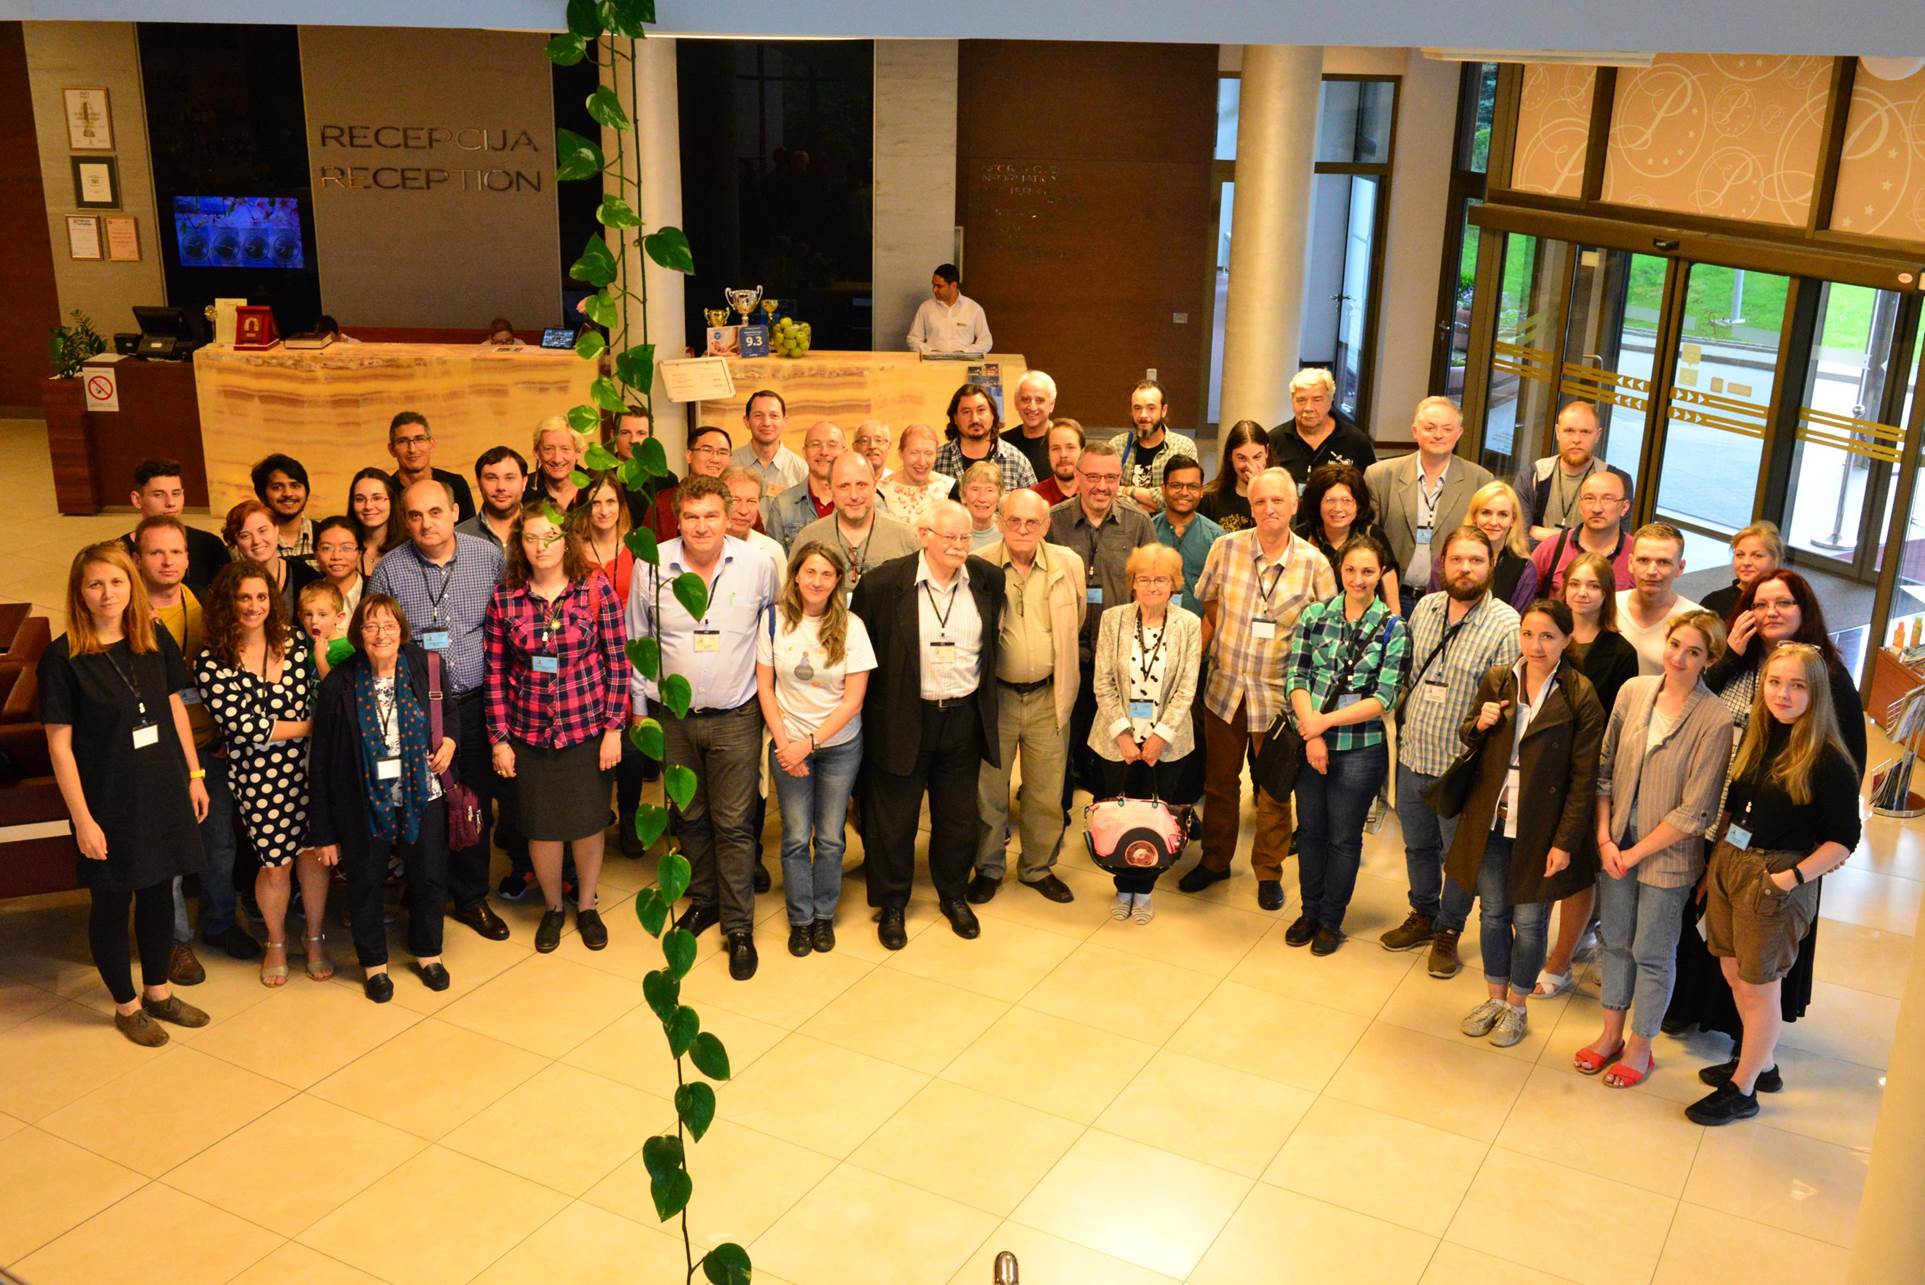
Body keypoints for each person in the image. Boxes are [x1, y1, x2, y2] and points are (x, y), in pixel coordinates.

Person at [1666, 569, 1866, 1045]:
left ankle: (1752, 1046)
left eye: (1783, 604)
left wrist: (1817, 853)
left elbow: (1848, 762)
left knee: (1760, 954)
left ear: (1805, 611)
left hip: (1786, 843)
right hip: (1725, 821)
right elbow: (1692, 701)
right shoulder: (1742, 657)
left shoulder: (1827, 676)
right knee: (1712, 926)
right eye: (1760, 604)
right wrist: (1730, 655)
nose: (1770, 613)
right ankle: (1698, 1008)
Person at [39, 543, 211, 1045]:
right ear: (80, 593)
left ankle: (158, 992)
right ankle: (126, 1005)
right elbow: (59, 745)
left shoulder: (152, 635)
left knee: (160, 891)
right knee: (112, 903)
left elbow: (174, 707)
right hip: (106, 801)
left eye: (115, 582)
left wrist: (194, 776)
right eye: (95, 584)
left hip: (161, 789)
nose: (107, 592)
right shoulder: (64, 657)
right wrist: (83, 820)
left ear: (130, 586)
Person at [1687, 643, 1861, 1125]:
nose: (1782, 694)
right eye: (1775, 682)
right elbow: (1735, 805)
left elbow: (1845, 839)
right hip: (1731, 863)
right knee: (1730, 970)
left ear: (1816, 692)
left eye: (1796, 685)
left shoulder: (1828, 760)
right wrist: (1714, 867)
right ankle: (1760, 1065)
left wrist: (1789, 879)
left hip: (1776, 878)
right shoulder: (1761, 737)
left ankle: (1742, 1090)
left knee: (1759, 985)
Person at [628, 476, 779, 979]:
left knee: (734, 824)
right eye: (690, 516)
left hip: (737, 715)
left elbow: (772, 631)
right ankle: (706, 899)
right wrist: (639, 710)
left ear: (730, 514)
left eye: (711, 515)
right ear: (677, 519)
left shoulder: (758, 564)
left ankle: (739, 927)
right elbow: (639, 639)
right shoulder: (651, 565)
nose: (700, 526)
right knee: (689, 815)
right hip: (673, 717)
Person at [1575, 611, 1731, 1087]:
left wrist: (1634, 852)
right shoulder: (1633, 692)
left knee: (1652, 952)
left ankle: (1641, 1045)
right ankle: (1610, 1036)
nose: (1679, 658)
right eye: (1675, 645)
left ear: (1710, 660)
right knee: (1615, 942)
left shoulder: (1715, 718)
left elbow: (1697, 810)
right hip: (1614, 844)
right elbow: (1603, 771)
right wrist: (1604, 838)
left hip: (1666, 856)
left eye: (1694, 652)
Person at [1446, 599, 1603, 1049]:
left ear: (1567, 640)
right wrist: (1480, 723)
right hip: (1492, 818)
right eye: (1529, 634)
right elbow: (1469, 734)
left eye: (1548, 636)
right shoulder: (1500, 678)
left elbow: (1583, 776)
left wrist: (1565, 840)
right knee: (1493, 912)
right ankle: (1494, 999)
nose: (1536, 645)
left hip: (1540, 827)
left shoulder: (1579, 694)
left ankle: (1517, 1005)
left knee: (1531, 922)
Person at [852, 500, 1004, 948]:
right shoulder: (882, 585)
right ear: (924, 537)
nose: (959, 546)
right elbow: (863, 654)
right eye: (949, 537)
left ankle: (953, 895)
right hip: (902, 717)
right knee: (893, 820)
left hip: (962, 718)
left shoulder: (986, 580)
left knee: (957, 819)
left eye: (965, 538)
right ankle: (892, 903)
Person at [1182, 468, 1335, 909]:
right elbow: (1209, 602)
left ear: (1294, 506)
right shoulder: (1224, 548)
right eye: (1260, 501)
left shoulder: (1314, 564)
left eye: (1277, 501)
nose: (1269, 509)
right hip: (1225, 689)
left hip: (1280, 700)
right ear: (1250, 507)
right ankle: (1214, 861)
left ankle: (1268, 872)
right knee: (1219, 784)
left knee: (1273, 792)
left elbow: (1324, 636)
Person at [368, 479, 512, 942]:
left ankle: (471, 897)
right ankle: (424, 890)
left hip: (473, 703)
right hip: (411, 712)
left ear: (454, 512)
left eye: (435, 512)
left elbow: (506, 623)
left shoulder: (488, 558)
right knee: (421, 804)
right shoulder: (389, 570)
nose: (426, 523)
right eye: (414, 515)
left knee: (472, 802)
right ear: (404, 520)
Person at [486, 503, 628, 954]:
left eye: (549, 537)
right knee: (542, 827)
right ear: (519, 544)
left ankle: (586, 906)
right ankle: (552, 907)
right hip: (528, 732)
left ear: (566, 540)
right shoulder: (506, 596)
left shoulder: (593, 588)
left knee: (587, 823)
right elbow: (494, 671)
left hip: (587, 728)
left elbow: (617, 662)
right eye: (530, 538)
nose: (540, 546)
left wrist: (613, 729)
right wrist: (499, 740)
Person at [1380, 527, 1521, 975]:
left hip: (1462, 767)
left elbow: (1507, 704)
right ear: (1443, 562)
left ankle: (1449, 929)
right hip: (1413, 754)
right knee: (1417, 846)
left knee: (1456, 857)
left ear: (1491, 564)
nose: (1465, 568)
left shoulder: (1506, 625)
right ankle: (1422, 913)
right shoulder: (1424, 607)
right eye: (1457, 559)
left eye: (1476, 560)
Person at [307, 594, 456, 1002]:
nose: (381, 634)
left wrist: (452, 742)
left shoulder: (427, 667)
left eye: (389, 625)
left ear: (402, 630)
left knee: (428, 875)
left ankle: (429, 953)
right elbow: (319, 760)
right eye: (371, 627)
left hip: (421, 793)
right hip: (360, 801)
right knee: (366, 882)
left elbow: (451, 710)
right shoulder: (341, 682)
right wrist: (323, 833)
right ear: (358, 634)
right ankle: (374, 965)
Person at [196, 560, 329, 987]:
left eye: (261, 596)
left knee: (314, 856)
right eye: (243, 597)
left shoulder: (293, 640)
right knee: (276, 864)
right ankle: (275, 941)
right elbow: (248, 729)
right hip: (260, 777)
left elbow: (320, 693)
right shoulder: (211, 661)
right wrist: (314, 726)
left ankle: (313, 937)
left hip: (311, 766)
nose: (254, 606)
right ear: (226, 604)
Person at [135, 517, 256, 972]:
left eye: (176, 552)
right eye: (156, 553)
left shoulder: (207, 602)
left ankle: (221, 923)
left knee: (219, 843)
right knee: (167, 852)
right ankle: (174, 941)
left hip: (212, 744)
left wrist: (228, 730)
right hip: (159, 752)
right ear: (138, 559)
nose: (168, 562)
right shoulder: (128, 616)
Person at [1284, 534, 1410, 954]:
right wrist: (1313, 731)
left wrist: (1323, 723)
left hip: (1360, 748)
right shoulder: (1315, 616)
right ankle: (1309, 910)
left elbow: (1384, 696)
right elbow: (1296, 678)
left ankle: (1330, 920)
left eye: (1368, 571)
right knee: (1310, 831)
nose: (1359, 579)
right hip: (1311, 741)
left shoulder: (1394, 628)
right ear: (1340, 570)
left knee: (1343, 838)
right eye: (1352, 569)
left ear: (1381, 574)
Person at [756, 541, 876, 955]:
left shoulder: (852, 626)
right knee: (792, 836)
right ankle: (800, 919)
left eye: (827, 574)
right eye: (810, 572)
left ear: (838, 581)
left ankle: (824, 916)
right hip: (787, 743)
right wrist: (787, 744)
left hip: (839, 747)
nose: (818, 581)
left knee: (828, 837)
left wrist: (809, 743)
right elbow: (765, 688)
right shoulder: (773, 621)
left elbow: (853, 700)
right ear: (796, 576)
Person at [1533, 550, 1642, 997]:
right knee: (1539, 862)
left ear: (1606, 593)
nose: (1582, 592)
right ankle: (1543, 945)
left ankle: (1559, 963)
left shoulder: (1620, 652)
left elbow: (1616, 724)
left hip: (1586, 770)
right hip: (1539, 765)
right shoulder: (1548, 635)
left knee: (1576, 869)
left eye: (1593, 586)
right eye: (1575, 583)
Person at [972, 490, 1087, 904]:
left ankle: (1037, 868)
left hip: (1048, 698)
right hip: (995, 699)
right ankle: (988, 867)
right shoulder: (979, 563)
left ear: (1046, 526)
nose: (1023, 529)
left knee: (1045, 792)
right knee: (989, 791)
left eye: (1032, 523)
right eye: (1014, 521)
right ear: (1000, 521)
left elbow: (1077, 618)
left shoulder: (1068, 564)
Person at [1088, 543, 1202, 925]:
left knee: (1156, 818)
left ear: (1174, 584)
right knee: (1118, 816)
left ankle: (1146, 888)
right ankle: (1122, 885)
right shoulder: (1113, 620)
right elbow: (1102, 681)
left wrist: (1159, 737)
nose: (1152, 586)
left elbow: (1187, 687)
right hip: (1114, 740)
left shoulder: (1188, 624)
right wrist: (1122, 733)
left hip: (1166, 745)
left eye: (1161, 579)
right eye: (1144, 579)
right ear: (1132, 583)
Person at [1049, 441, 1157, 811]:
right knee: (1061, 741)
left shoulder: (1138, 523)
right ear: (1077, 478)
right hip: (1066, 653)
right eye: (1092, 476)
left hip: (1119, 659)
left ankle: (1110, 816)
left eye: (1110, 478)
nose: (1101, 486)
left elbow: (1153, 585)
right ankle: (1056, 812)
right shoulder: (1054, 522)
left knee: (1116, 745)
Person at [1364, 397, 1492, 616]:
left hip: (1449, 599)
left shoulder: (1480, 480)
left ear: (1459, 433)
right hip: (1390, 597)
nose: (1438, 434)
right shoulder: (1380, 475)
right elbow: (1368, 542)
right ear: (1415, 431)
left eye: (1447, 428)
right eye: (1430, 428)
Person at [792, 454, 920, 598]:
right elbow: (792, 598)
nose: (854, 495)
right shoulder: (808, 538)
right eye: (844, 486)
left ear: (875, 484)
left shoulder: (906, 537)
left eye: (861, 485)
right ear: (830, 488)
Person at [1517, 401, 1636, 544]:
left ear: (1597, 435)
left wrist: (1542, 533)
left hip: (1591, 566)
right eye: (1569, 431)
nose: (1576, 439)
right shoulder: (1533, 475)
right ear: (1557, 432)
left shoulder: (1617, 482)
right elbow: (1519, 539)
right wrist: (1582, 541)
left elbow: (1612, 544)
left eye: (1585, 432)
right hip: (1536, 565)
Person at [1297, 464, 1401, 610]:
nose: (1338, 508)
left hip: (1366, 625)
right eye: (1330, 500)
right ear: (1317, 503)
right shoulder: (1301, 537)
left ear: (1358, 504)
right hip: (1314, 624)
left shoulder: (1373, 535)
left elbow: (1392, 601)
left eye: (1346, 501)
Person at [1428, 480, 1539, 610]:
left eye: (1503, 514)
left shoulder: (1525, 569)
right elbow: (1433, 609)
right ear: (1474, 516)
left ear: (1513, 520)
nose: (1493, 522)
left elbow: (1519, 623)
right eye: (1486, 512)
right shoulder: (1448, 558)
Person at [123, 458, 229, 592]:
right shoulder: (119, 552)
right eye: (158, 495)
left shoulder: (210, 545)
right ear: (137, 500)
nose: (171, 503)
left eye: (176, 493)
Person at [1528, 470, 1634, 595]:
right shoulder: (1552, 548)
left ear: (1624, 507)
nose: (1597, 508)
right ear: (1580, 505)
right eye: (1589, 499)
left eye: (1607, 499)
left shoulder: (1637, 554)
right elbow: (1523, 601)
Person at [1615, 523, 1701, 675]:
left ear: (1680, 568)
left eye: (1663, 562)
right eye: (1643, 560)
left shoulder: (1696, 621)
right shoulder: (1608, 606)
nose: (1651, 571)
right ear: (1630, 563)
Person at [1268, 367, 1376, 487]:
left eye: (1317, 400)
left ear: (1330, 400)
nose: (1308, 408)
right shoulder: (1274, 440)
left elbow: (1369, 491)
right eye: (1301, 400)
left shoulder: (1356, 441)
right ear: (1292, 401)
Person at [1108, 380, 1199, 515]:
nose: (1143, 415)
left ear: (1163, 410)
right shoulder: (1117, 446)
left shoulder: (1183, 447)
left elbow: (1181, 498)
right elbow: (1106, 493)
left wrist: (1128, 490)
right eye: (1137, 408)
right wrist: (1152, 504)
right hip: (1125, 529)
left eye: (1151, 408)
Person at [1153, 456, 1224, 618]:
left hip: (1201, 634)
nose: (1184, 492)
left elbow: (1219, 600)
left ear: (1201, 492)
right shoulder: (1148, 532)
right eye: (1176, 485)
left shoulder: (1217, 539)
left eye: (1192, 486)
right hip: (1152, 632)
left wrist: (1198, 642)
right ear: (1163, 489)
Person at [224, 499, 320, 616]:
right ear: (236, 542)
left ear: (276, 529)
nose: (257, 541)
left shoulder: (306, 576)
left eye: (263, 530)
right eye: (245, 535)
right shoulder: (228, 585)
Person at [933, 383, 1036, 491]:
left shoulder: (1017, 461)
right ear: (955, 418)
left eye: (981, 410)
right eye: (966, 412)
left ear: (993, 414)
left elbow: (1034, 506)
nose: (975, 419)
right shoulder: (937, 461)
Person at [765, 420, 844, 550]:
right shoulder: (783, 505)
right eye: (815, 444)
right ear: (804, 452)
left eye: (832, 445)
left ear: (843, 452)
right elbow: (775, 563)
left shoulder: (860, 502)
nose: (824, 452)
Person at [387, 411, 477, 523]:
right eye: (403, 441)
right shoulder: (385, 493)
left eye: (419, 439)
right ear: (392, 449)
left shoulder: (456, 485)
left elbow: (470, 533)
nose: (412, 449)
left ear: (432, 443)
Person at [573, 469, 636, 607]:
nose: (604, 511)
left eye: (610, 502)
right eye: (595, 503)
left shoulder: (635, 547)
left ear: (620, 505)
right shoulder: (572, 551)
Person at [1700, 520, 1784, 622]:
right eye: (1740, 555)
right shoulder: (1713, 602)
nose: (1746, 562)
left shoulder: (1788, 602)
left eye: (1757, 555)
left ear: (1775, 559)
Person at [732, 388, 809, 495]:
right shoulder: (731, 464)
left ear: (785, 421)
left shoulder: (800, 469)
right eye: (758, 415)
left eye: (774, 416)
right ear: (746, 421)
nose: (766, 423)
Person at [880, 423, 956, 528]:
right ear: (901, 453)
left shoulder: (950, 488)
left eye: (928, 453)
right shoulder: (881, 491)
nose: (922, 462)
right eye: (914, 453)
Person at [907, 262, 992, 354]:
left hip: (963, 365)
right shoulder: (926, 308)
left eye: (939, 286)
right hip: (932, 365)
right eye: (933, 285)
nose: (934, 290)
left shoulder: (974, 308)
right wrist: (930, 351)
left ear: (953, 285)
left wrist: (965, 352)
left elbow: (986, 341)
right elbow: (913, 339)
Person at [1199, 419, 1268, 533]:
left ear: (1267, 452)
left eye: (1257, 457)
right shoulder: (1210, 499)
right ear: (1230, 456)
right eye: (1242, 458)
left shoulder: (1278, 497)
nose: (1250, 466)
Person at [456, 446, 529, 553]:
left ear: (524, 482)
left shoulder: (544, 533)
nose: (501, 487)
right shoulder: (458, 537)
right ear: (479, 482)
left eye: (509, 478)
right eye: (491, 478)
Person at [251, 453, 315, 566]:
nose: (288, 494)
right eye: (277, 487)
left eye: (295, 486)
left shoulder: (324, 536)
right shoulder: (251, 544)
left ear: (307, 491)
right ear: (262, 496)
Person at [723, 466, 788, 566]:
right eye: (735, 500)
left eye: (751, 501)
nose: (743, 510)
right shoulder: (701, 546)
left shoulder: (773, 551)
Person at [349, 468, 407, 575]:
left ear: (392, 501)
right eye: (360, 499)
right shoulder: (344, 549)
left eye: (376, 498)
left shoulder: (409, 548)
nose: (368, 506)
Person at [312, 517, 366, 628]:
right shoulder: (309, 593)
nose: (336, 556)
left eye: (346, 548)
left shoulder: (375, 588)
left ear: (359, 553)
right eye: (327, 548)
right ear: (316, 554)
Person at [1007, 370, 1058, 482]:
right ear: (1016, 403)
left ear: (1051, 404)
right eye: (1026, 399)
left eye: (1040, 400)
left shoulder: (1064, 442)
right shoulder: (1002, 444)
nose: (1032, 407)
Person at [529, 416, 583, 511]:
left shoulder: (595, 488)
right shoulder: (523, 490)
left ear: (578, 452)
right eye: (548, 449)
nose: (557, 459)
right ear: (536, 452)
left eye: (565, 449)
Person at [298, 582, 347, 679]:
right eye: (308, 614)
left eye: (322, 615)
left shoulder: (344, 649)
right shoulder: (306, 643)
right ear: (300, 617)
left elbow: (335, 687)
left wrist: (320, 658)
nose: (314, 621)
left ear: (339, 617)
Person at [1031, 421, 1083, 507]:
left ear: (1082, 451)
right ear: (1048, 454)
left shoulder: (1096, 494)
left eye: (1070, 447)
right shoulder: (1034, 498)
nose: (1063, 455)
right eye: (1056, 448)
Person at [960, 462, 1004, 549]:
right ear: (963, 496)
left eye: (989, 490)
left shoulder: (1007, 534)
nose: (982, 498)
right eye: (975, 489)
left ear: (999, 496)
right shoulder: (951, 532)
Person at [851, 420, 893, 487]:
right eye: (864, 441)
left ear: (889, 445)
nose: (872, 446)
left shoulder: (897, 483)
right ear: (854, 447)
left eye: (878, 440)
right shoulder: (846, 481)